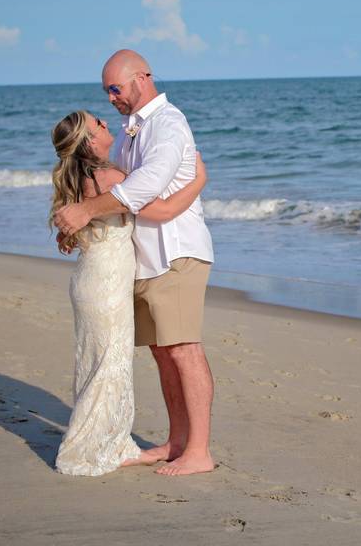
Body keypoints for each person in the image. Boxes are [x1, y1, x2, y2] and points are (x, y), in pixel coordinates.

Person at [53, 50, 216, 476]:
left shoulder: (168, 124)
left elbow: (146, 189)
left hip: (176, 251)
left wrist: (86, 212)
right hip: (140, 260)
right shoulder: (126, 135)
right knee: (163, 354)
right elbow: (117, 191)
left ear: (142, 78)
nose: (111, 99)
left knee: (183, 349)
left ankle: (199, 451)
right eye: (107, 91)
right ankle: (176, 441)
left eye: (116, 89)